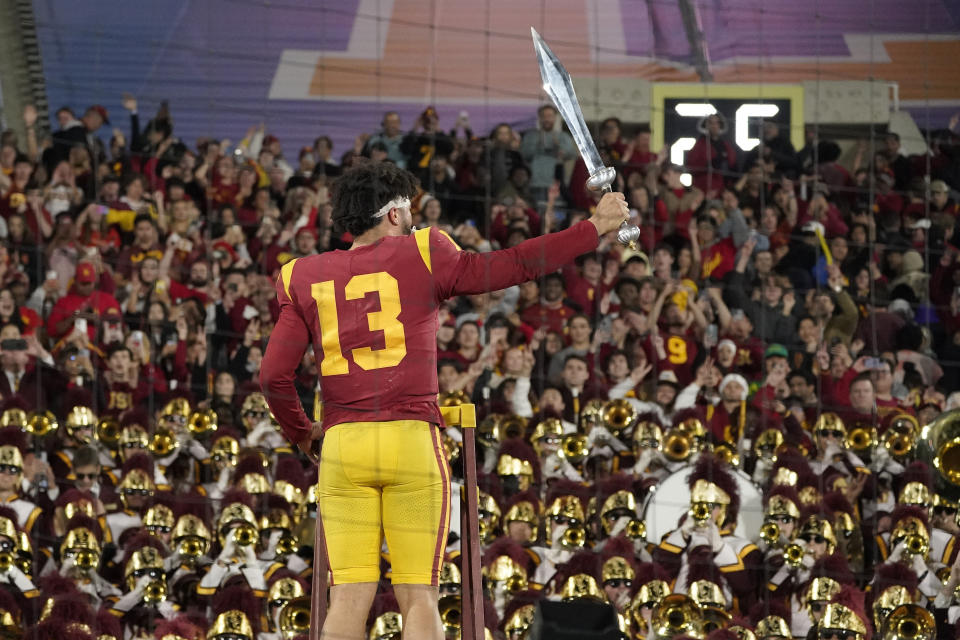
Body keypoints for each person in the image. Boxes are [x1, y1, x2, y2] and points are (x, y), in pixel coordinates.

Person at [259, 160, 629, 639]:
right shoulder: (425, 250)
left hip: (343, 446)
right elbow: (514, 264)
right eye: (409, 209)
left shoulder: (301, 275)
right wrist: (594, 228)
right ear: (393, 214)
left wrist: (302, 431)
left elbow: (272, 376)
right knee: (419, 595)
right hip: (411, 441)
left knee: (348, 597)